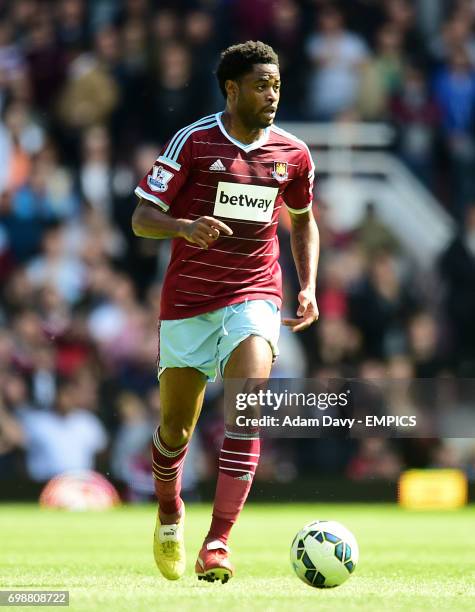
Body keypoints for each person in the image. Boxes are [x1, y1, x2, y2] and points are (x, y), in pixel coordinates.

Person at [132, 41, 319, 583]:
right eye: (262, 85)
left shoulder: (294, 153)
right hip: (189, 300)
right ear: (232, 89)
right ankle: (170, 510)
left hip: (256, 292)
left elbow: (303, 219)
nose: (272, 95)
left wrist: (306, 285)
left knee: (245, 407)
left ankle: (217, 542)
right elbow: (143, 217)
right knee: (175, 431)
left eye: (277, 85)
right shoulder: (194, 141)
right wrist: (184, 227)